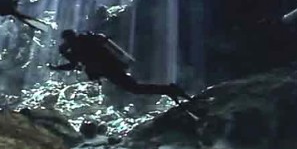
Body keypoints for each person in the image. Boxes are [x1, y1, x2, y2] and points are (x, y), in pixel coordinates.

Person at [48, 29, 191, 101]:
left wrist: (58, 64)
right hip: (112, 68)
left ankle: (170, 90)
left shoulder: (80, 47)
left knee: (135, 88)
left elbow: (73, 65)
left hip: (110, 69)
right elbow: (77, 63)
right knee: (134, 88)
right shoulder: (85, 42)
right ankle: (169, 90)